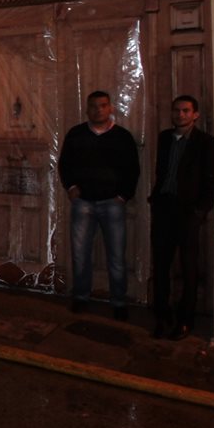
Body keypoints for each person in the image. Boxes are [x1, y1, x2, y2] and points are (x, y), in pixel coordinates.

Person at [57, 90, 141, 320]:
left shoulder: (122, 137)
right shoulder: (76, 134)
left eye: (103, 105)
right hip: (83, 203)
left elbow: (133, 169)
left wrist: (123, 196)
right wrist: (71, 187)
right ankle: (81, 297)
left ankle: (119, 301)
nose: (98, 110)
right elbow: (65, 164)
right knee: (80, 254)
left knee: (116, 255)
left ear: (110, 108)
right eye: (94, 106)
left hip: (112, 203)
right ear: (87, 109)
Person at [148, 95, 214, 340]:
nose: (180, 115)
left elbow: (213, 182)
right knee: (161, 266)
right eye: (176, 110)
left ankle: (185, 319)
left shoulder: (206, 143)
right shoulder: (164, 138)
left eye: (186, 111)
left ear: (195, 114)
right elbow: (162, 172)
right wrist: (156, 200)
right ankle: (162, 316)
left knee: (189, 268)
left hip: (188, 213)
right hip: (164, 210)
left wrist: (199, 212)